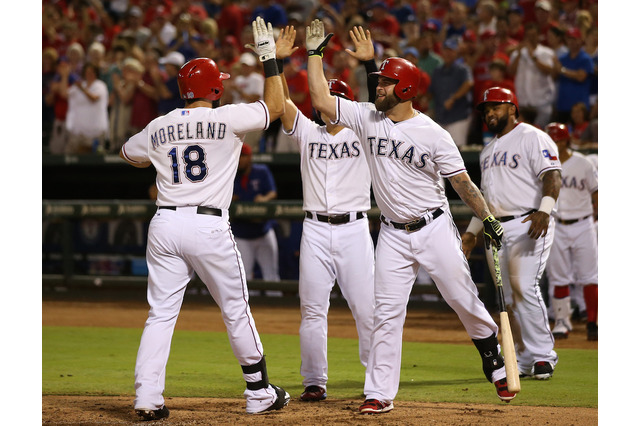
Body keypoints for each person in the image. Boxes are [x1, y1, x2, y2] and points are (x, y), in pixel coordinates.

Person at [305, 19, 516, 414]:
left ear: (404, 88)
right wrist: (314, 56)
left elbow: (463, 183)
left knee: (461, 298)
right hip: (392, 235)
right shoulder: (366, 117)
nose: (377, 86)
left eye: (385, 82)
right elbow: (319, 101)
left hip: (434, 226)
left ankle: (492, 354)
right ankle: (379, 391)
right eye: (379, 81)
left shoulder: (434, 133)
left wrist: (487, 218)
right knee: (385, 313)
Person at [118, 17, 290, 420]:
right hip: (207, 223)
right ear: (214, 88)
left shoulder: (159, 124)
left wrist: (163, 154)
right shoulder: (227, 117)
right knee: (235, 307)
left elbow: (130, 154)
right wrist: (269, 60)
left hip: (164, 223)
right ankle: (259, 391)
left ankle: (147, 397)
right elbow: (276, 108)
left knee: (160, 313)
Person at [276, 25, 376, 403]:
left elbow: (379, 108)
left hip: (354, 230)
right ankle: (314, 381)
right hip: (315, 230)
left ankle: (375, 381)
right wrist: (276, 61)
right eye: (324, 99)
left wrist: (369, 65)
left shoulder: (364, 133)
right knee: (312, 311)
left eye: (335, 99)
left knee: (366, 310)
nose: (327, 106)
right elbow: (281, 102)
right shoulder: (308, 132)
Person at [463, 87, 562, 380]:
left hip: (530, 220)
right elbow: (484, 198)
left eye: (496, 107)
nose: (489, 113)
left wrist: (544, 210)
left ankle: (544, 355)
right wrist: (471, 232)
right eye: (485, 109)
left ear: (512, 108)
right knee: (506, 297)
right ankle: (522, 355)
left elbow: (553, 176)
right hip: (496, 227)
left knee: (523, 287)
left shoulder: (533, 136)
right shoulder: (487, 150)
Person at [543, 123, 598, 341]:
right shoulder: (544, 165)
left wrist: (597, 217)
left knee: (590, 275)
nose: (553, 144)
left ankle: (593, 322)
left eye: (556, 140)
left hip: (583, 223)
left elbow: (597, 192)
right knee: (558, 276)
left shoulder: (582, 163)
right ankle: (562, 322)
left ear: (565, 140)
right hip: (556, 224)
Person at [231, 143, 280, 283]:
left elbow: (273, 192)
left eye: (243, 156)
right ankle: (247, 306)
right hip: (241, 233)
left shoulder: (261, 171)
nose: (240, 160)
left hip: (263, 230)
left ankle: (275, 303)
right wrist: (230, 197)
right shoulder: (231, 174)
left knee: (271, 275)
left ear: (250, 157)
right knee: (243, 277)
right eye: (238, 156)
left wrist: (264, 198)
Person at [507, 23, 556, 128]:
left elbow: (548, 70)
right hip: (523, 102)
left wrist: (533, 56)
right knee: (524, 133)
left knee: (540, 132)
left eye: (533, 35)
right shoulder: (517, 53)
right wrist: (519, 53)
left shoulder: (546, 52)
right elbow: (511, 71)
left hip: (542, 101)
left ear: (538, 36)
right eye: (528, 35)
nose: (531, 38)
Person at [429, 37, 474, 148]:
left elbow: (468, 84)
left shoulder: (462, 69)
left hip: (458, 117)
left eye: (451, 50)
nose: (448, 53)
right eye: (446, 50)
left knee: (457, 150)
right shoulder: (437, 70)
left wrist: (453, 98)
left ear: (456, 53)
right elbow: (431, 91)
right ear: (442, 52)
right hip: (440, 117)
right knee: (438, 151)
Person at [65, 62, 110, 154]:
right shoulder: (80, 85)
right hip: (79, 132)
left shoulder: (100, 85)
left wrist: (81, 88)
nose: (89, 74)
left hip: (96, 132)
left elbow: (94, 98)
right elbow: (64, 94)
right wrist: (64, 76)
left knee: (93, 160)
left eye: (92, 72)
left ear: (96, 73)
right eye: (87, 72)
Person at [553, 27, 594, 124]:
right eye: (569, 39)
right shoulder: (562, 58)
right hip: (563, 104)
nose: (571, 42)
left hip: (579, 107)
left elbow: (581, 77)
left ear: (580, 40)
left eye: (574, 39)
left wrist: (562, 70)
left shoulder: (585, 58)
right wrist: (554, 68)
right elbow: (554, 77)